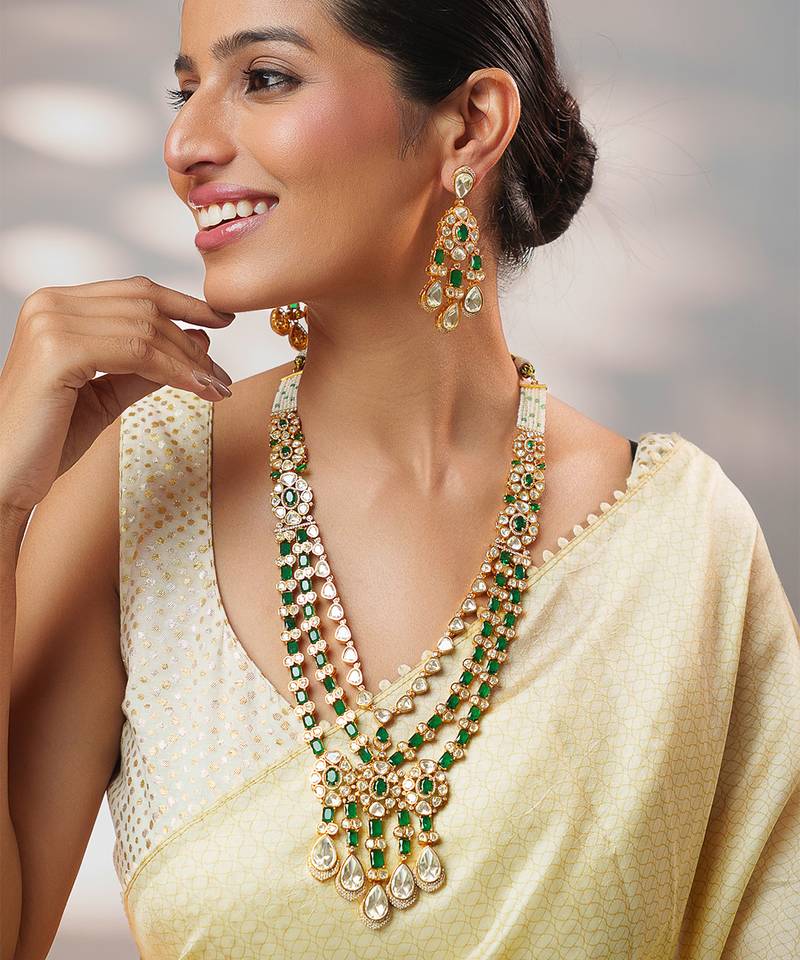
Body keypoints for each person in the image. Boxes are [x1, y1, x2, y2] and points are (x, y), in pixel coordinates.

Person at [2, 0, 798, 957]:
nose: (184, 144)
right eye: (185, 91)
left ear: (470, 125)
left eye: (264, 79)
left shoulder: (680, 544)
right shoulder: (138, 487)